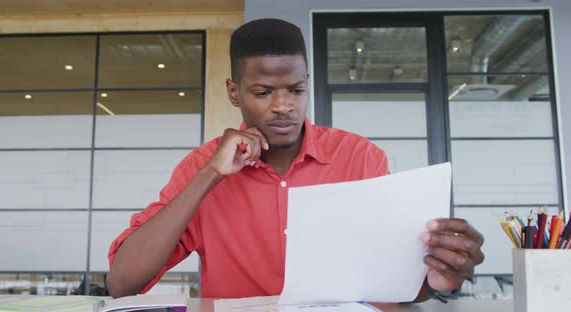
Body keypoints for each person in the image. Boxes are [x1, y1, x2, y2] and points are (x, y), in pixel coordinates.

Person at [106, 18, 484, 301]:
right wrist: (210, 176)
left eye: (296, 89)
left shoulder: (360, 157)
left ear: (307, 82)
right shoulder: (201, 166)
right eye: (263, 92)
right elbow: (123, 283)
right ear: (234, 92)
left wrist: (438, 279)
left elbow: (399, 286)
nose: (284, 106)